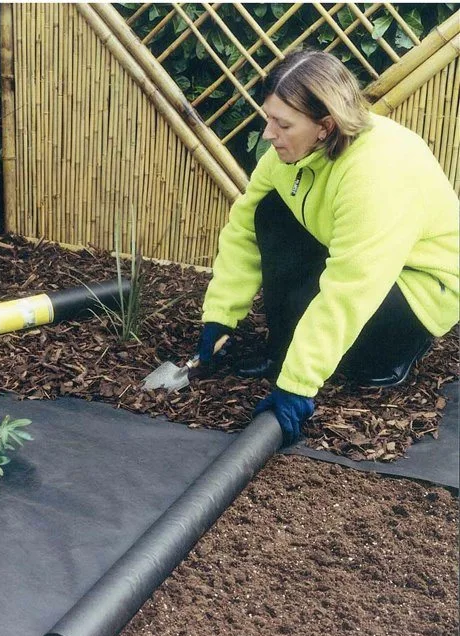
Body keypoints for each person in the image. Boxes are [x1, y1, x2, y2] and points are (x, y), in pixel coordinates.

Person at [197, 49, 459, 446]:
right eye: (269, 118)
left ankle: (392, 355)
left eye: (282, 124)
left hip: (418, 284)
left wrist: (298, 385)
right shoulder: (285, 155)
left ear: (325, 126)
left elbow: (351, 287)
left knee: (356, 365)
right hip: (354, 258)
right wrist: (220, 314)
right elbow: (244, 230)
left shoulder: (376, 174)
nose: (268, 134)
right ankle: (283, 348)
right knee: (269, 211)